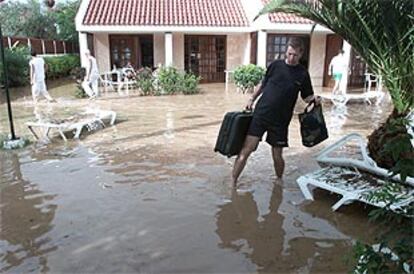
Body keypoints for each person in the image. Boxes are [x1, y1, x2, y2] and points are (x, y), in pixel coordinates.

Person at [232, 37, 320, 186]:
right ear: (286, 51)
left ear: (301, 54)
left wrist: (315, 99)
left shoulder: (302, 74)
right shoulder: (275, 66)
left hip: (281, 121)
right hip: (261, 114)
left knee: (277, 155)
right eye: (289, 54)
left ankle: (279, 181)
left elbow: (306, 97)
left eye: (295, 55)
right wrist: (251, 99)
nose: (291, 58)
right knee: (247, 150)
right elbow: (263, 85)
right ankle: (233, 183)